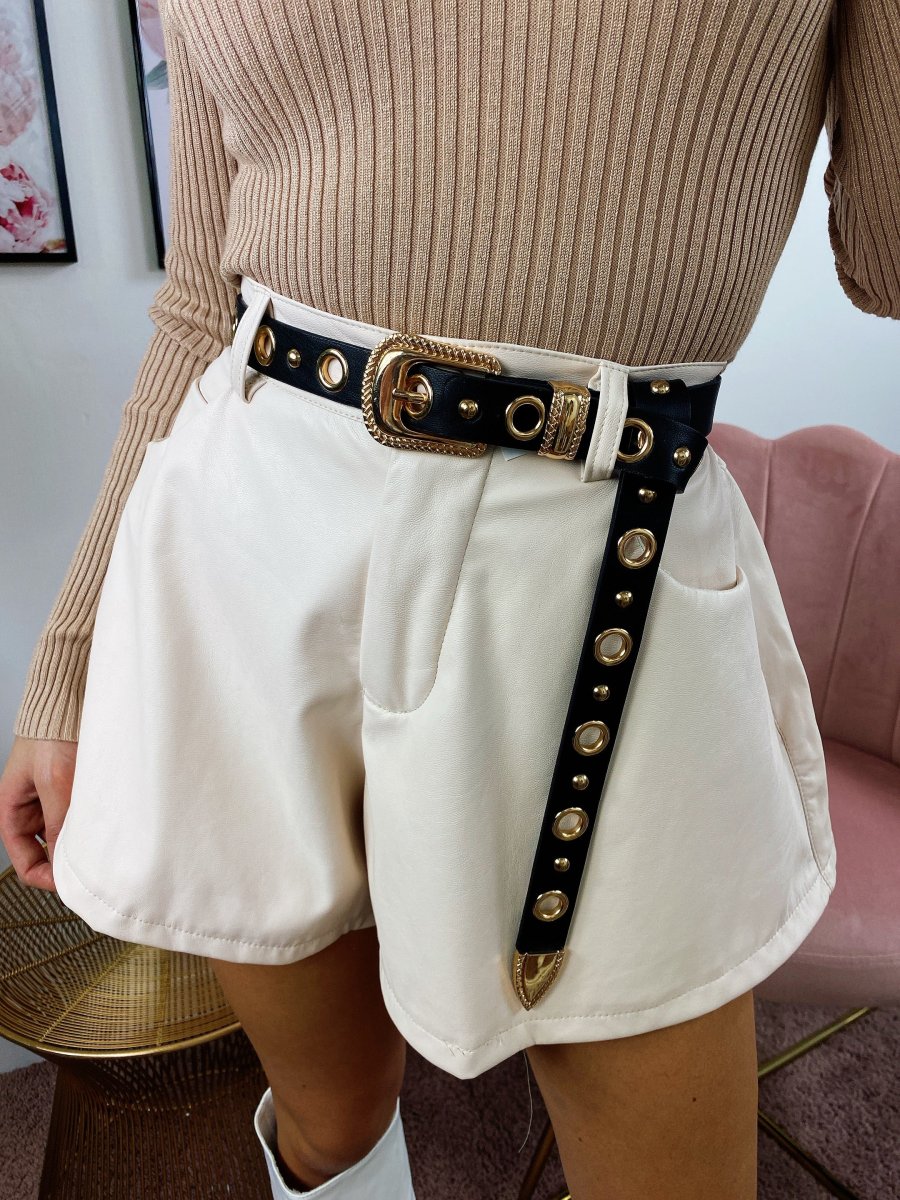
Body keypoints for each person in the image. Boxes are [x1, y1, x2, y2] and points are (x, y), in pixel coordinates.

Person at [1, 2, 898, 1197]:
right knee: (328, 1129)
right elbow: (198, 311)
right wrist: (69, 657)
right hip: (246, 554)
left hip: (599, 570)